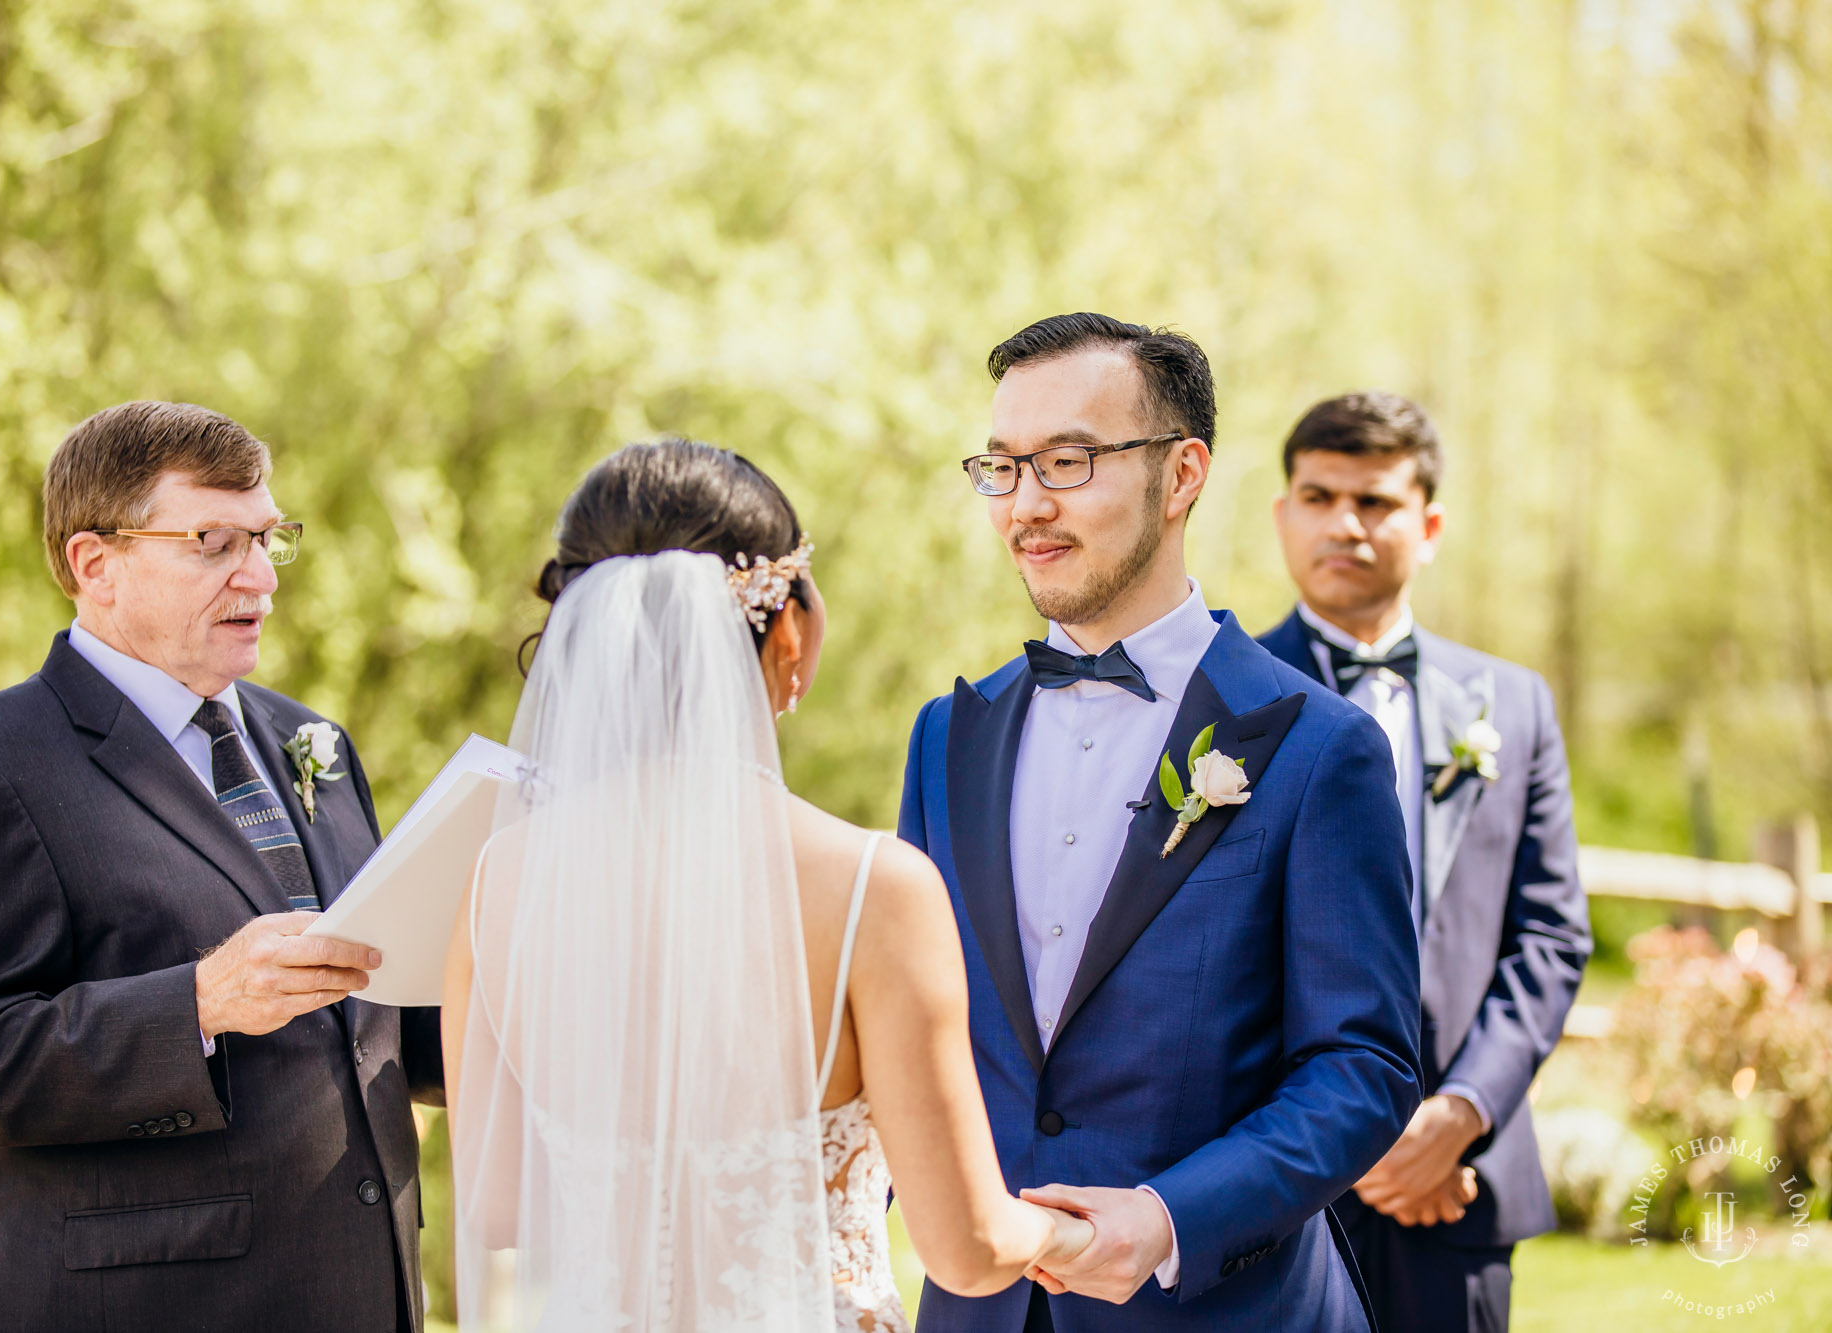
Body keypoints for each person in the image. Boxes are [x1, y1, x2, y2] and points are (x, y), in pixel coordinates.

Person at [440, 438, 1093, 1332]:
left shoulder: (499, 880)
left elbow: (497, 1208)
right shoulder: (873, 887)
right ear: (790, 629)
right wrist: (1072, 1231)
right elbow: (969, 1251)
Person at [898, 313, 1423, 1332]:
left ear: (1180, 476)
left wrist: (1166, 1217)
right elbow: (914, 1034)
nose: (1025, 504)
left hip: (1223, 1309)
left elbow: (1360, 1068)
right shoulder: (942, 737)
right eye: (1001, 466)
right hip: (977, 1310)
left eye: (1067, 460)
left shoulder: (1320, 747)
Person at [0, 402, 444, 1332]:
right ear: (93, 564)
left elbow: (372, 1019)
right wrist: (198, 1002)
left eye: (268, 538)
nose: (260, 576)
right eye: (213, 541)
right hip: (148, 1302)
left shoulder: (311, 738)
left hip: (359, 1288)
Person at [1258, 392, 1592, 1333]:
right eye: (1319, 497)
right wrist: (1322, 1139)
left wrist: (1458, 1112)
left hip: (1458, 1183)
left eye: (1376, 502)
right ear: (1283, 514)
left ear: (1430, 524)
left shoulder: (1515, 707)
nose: (1345, 525)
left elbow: (1552, 937)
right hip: (1272, 1187)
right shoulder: (1221, 694)